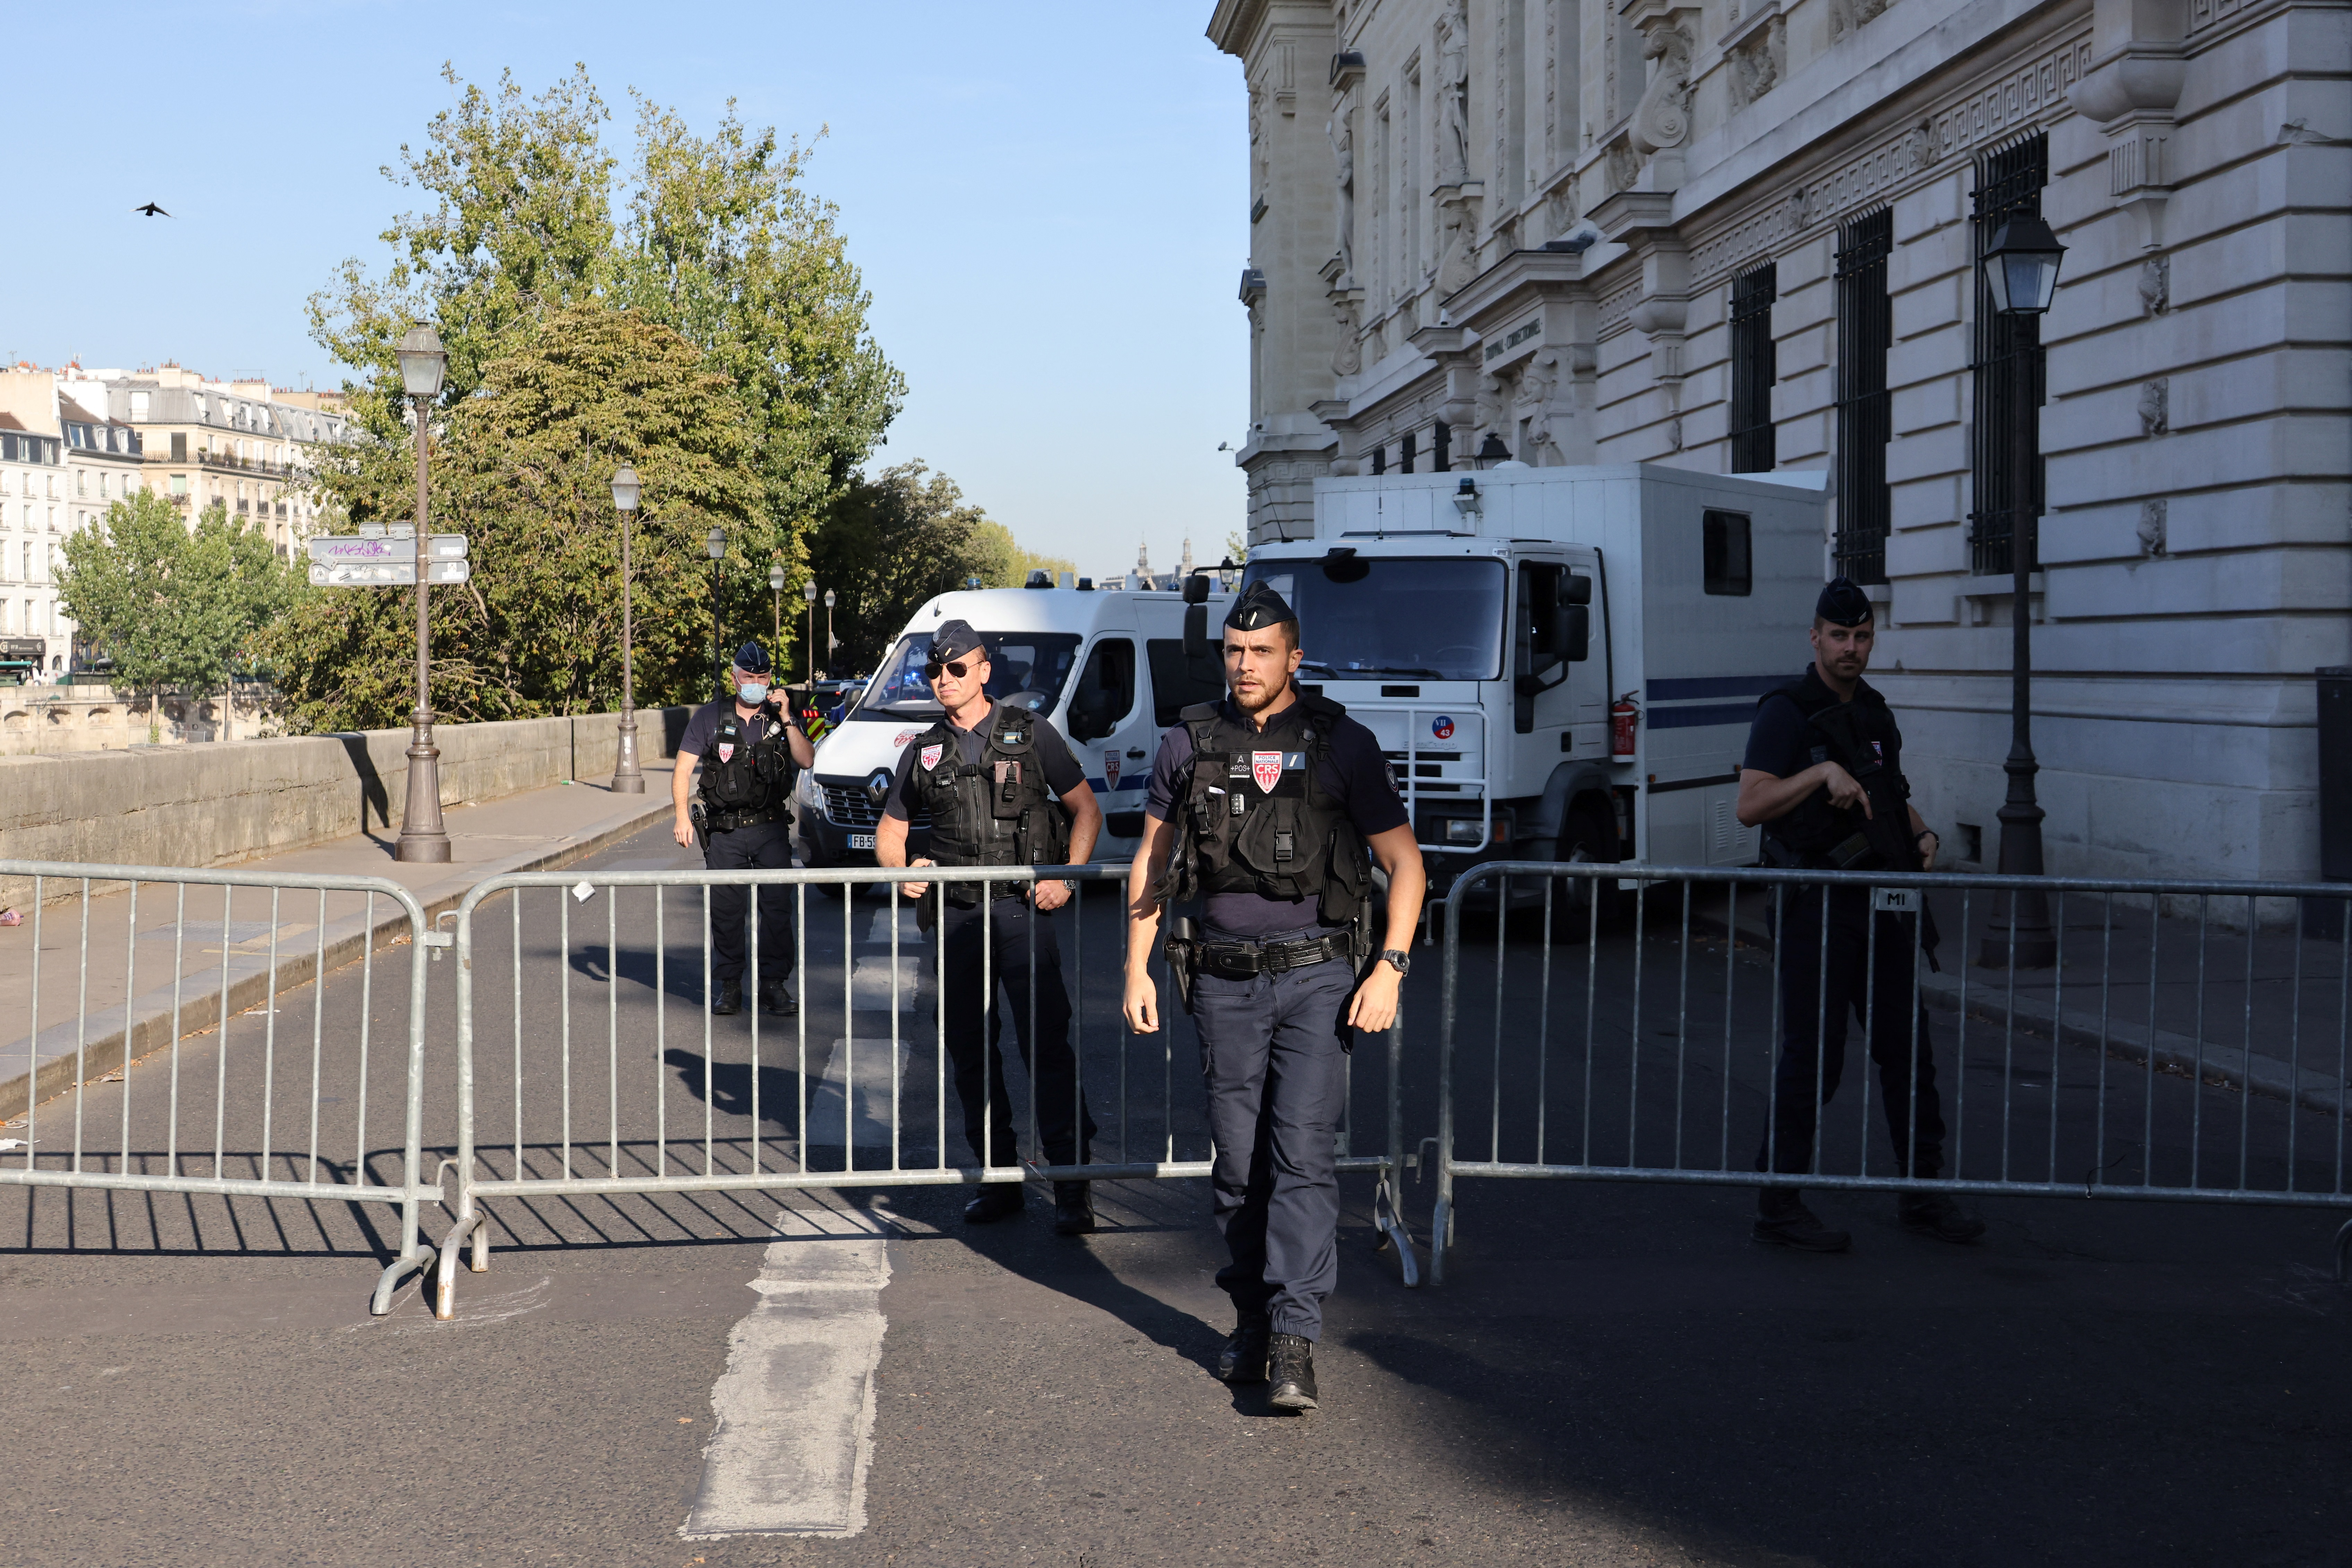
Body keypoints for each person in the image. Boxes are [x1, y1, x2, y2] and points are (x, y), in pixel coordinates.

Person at [1122, 583, 1426, 1414]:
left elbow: (1406, 866)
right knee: (1235, 1167)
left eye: (1260, 652)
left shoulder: (1343, 744)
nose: (1244, 664)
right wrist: (1135, 968)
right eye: (1232, 650)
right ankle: (1251, 1319)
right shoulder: (1186, 744)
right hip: (1220, 980)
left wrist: (1389, 968)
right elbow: (1151, 867)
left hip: (1316, 979)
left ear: (1295, 656)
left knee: (1300, 1157)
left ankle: (1294, 1335)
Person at [1735, 577, 1985, 1252]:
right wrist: (1818, 777)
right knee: (1813, 1060)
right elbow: (1751, 803)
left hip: (1884, 905)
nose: (1851, 648)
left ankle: (1923, 1193)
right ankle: (1779, 1203)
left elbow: (1888, 796)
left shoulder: (1874, 712)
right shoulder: (1785, 711)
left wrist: (1924, 831)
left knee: (1909, 1054)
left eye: (1862, 635)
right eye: (1839, 636)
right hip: (1817, 906)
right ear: (1814, 637)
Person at [875, 619, 1106, 1235]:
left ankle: (1071, 1186)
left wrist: (1067, 874)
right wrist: (903, 870)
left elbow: (1085, 808)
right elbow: (890, 832)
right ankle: (999, 1179)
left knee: (1046, 1050)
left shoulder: (1030, 734)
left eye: (956, 669)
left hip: (1021, 912)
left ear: (983, 670)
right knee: (971, 1054)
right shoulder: (923, 750)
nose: (943, 680)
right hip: (956, 917)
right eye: (935, 670)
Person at [672, 641, 814, 1017]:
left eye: (762, 677)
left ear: (771, 680)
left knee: (777, 911)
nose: (755, 683)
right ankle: (730, 986)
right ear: (734, 677)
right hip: (725, 832)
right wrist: (681, 816)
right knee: (727, 912)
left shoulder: (779, 717)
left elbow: (806, 758)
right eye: (748, 677)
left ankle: (774, 985)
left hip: (770, 830)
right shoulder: (709, 717)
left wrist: (787, 717)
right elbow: (683, 770)